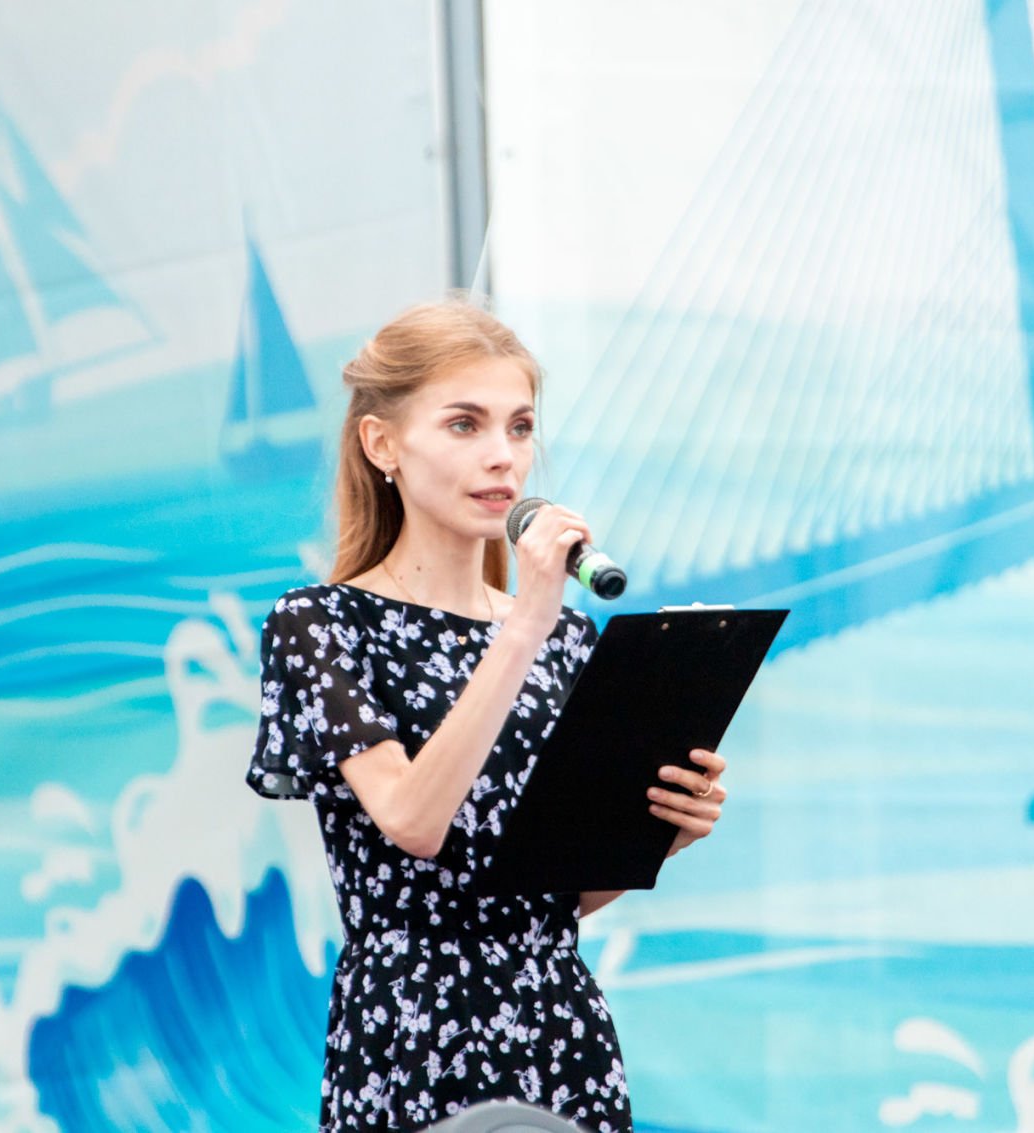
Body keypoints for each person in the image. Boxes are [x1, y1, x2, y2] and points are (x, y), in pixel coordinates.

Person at [246, 298, 729, 1132]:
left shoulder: (565, 636)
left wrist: (657, 830)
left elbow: (547, 897)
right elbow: (412, 820)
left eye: (520, 426)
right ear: (382, 443)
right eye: (464, 424)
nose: (503, 455)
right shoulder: (321, 623)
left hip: (559, 1027)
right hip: (410, 1033)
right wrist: (525, 624)